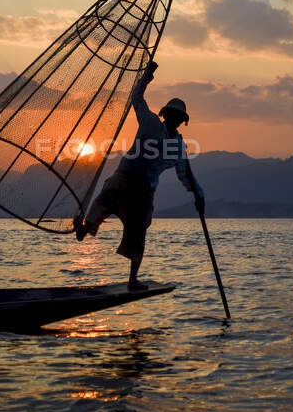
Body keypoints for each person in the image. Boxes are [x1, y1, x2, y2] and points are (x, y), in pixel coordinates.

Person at [73, 60, 205, 291]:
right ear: (168, 115)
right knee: (117, 214)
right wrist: (147, 75)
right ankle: (87, 232)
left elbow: (185, 175)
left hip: (136, 188)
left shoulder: (173, 142)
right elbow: (137, 98)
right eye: (173, 115)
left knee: (133, 228)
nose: (174, 119)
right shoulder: (155, 126)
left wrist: (197, 194)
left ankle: (127, 274)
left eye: (177, 116)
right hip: (127, 184)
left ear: (178, 119)